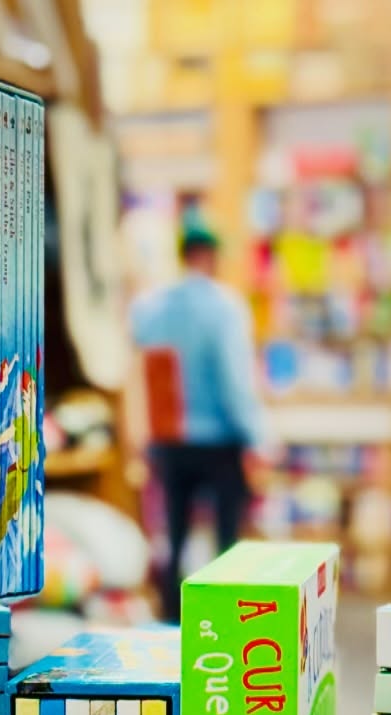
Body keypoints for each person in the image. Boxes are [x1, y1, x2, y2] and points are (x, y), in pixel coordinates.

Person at [131, 220, 264, 620]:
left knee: (175, 533)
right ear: (211, 256)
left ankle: (172, 619)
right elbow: (234, 380)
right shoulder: (225, 306)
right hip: (219, 441)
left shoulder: (151, 308)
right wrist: (256, 435)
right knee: (226, 537)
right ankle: (223, 617)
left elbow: (146, 368)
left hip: (170, 440)